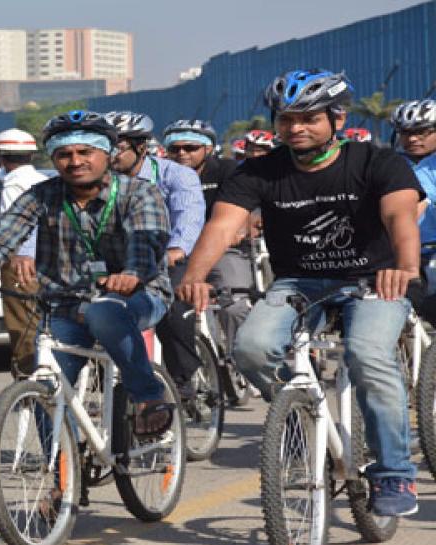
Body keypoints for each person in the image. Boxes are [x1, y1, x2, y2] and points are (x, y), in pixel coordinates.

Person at [178, 69, 422, 516]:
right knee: (250, 350)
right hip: (298, 283)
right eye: (287, 118)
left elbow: (400, 217)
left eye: (309, 117)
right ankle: (296, 415)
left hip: (373, 279)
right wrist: (195, 275)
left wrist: (405, 267)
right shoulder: (259, 170)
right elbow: (223, 225)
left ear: (336, 118)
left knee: (368, 356)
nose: (296, 127)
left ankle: (394, 473)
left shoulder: (377, 161)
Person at [0, 110, 176, 437]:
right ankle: (62, 476)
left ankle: (148, 396)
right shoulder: (42, 195)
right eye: (64, 154)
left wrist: (133, 273)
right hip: (65, 305)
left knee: (105, 310)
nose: (75, 161)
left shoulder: (138, 193)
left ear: (106, 154)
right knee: (45, 386)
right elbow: (1, 237)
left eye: (85, 153)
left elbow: (146, 240)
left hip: (137, 296)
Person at [105, 110, 207, 401]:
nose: (109, 155)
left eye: (117, 147)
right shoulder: (98, 181)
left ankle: (182, 377)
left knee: (171, 307)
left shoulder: (176, 175)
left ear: (141, 147)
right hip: (120, 260)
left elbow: (189, 216)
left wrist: (177, 249)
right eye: (104, 146)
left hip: (169, 257)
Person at [163, 120, 254, 380]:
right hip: (178, 253)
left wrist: (241, 231)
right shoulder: (162, 173)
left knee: (234, 306)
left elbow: (243, 207)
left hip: (222, 249)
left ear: (209, 148)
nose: (182, 154)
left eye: (190, 147)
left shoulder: (228, 170)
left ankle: (243, 357)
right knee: (169, 307)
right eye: (175, 149)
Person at [0, 128, 49, 376]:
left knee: (23, 324)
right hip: (45, 261)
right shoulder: (41, 180)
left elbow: (14, 229)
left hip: (21, 263)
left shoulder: (14, 185)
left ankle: (30, 379)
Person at [391, 99, 436, 320]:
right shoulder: (390, 163)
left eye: (422, 132)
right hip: (402, 250)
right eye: (406, 133)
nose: (413, 139)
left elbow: (422, 201)